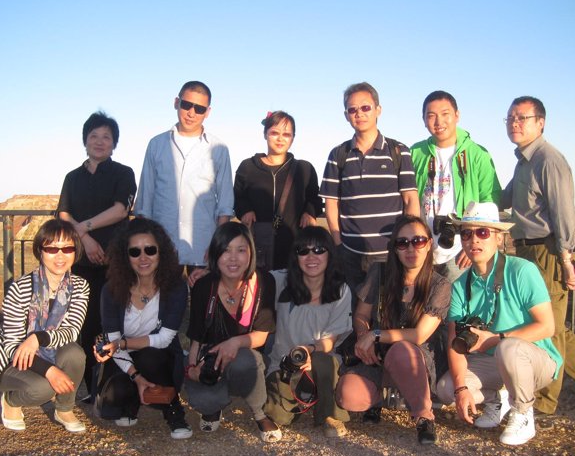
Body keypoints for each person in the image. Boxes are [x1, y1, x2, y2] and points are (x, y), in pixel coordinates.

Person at [502, 96, 575, 417]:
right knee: (553, 324)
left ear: (540, 122)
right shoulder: (524, 161)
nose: (515, 123)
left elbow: (564, 216)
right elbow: (503, 197)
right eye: (510, 118)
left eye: (522, 118)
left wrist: (567, 262)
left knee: (549, 328)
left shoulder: (548, 160)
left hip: (548, 251)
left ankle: (544, 403)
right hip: (526, 250)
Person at [437, 202, 562, 446]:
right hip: (490, 362)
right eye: (467, 233)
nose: (474, 240)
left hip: (533, 358)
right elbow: (455, 344)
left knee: (508, 348)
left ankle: (523, 412)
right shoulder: (460, 286)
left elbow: (547, 327)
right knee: (446, 388)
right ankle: (498, 399)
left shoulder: (522, 271)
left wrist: (496, 339)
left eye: (482, 232)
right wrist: (461, 391)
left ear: (498, 238)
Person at [335, 215, 450, 445]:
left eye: (418, 241)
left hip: (416, 358)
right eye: (402, 242)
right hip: (377, 356)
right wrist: (361, 336)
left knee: (401, 351)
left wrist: (375, 335)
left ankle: (424, 415)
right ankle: (379, 399)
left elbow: (419, 335)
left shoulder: (440, 284)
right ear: (394, 249)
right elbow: (360, 315)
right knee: (347, 395)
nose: (410, 248)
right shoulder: (380, 273)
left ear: (428, 245)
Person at [0, 219, 90, 432]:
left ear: (75, 252)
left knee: (75, 354)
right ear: (40, 251)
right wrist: (49, 370)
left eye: (67, 248)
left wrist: (37, 338)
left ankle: (64, 409)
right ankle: (11, 400)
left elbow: (72, 331)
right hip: (10, 360)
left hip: (45, 348)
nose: (60, 255)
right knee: (43, 388)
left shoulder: (80, 286)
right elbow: (12, 346)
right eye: (51, 248)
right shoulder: (20, 289)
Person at [57, 111, 137, 399]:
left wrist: (83, 227)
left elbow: (121, 210)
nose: (100, 142)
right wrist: (85, 239)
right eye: (94, 136)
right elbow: (63, 212)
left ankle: (115, 387)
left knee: (114, 322)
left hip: (114, 262)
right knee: (84, 322)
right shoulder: (72, 177)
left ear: (114, 144)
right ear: (85, 141)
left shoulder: (123, 173)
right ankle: (91, 387)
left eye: (106, 137)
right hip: (79, 262)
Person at [92, 218, 191, 439]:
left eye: (150, 250)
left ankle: (173, 408)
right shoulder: (111, 290)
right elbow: (112, 341)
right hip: (121, 358)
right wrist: (135, 376)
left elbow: (164, 338)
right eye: (135, 252)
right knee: (111, 403)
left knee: (150, 357)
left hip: (159, 357)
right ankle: (133, 398)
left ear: (161, 253)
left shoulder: (175, 287)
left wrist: (122, 343)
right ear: (125, 257)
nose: (143, 257)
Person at [183, 222, 281, 442]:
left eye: (241, 250)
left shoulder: (265, 281)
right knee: (203, 401)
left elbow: (262, 335)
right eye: (226, 250)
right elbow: (197, 338)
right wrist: (192, 368)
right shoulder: (203, 285)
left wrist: (234, 343)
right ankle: (216, 400)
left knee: (243, 362)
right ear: (215, 254)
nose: (233, 258)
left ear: (251, 253)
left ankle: (259, 412)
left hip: (248, 355)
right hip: (211, 357)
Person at [319, 82, 419, 296]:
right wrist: (339, 245)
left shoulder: (399, 151)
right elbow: (331, 203)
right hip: (352, 255)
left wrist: (408, 243)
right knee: (354, 316)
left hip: (391, 255)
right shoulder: (338, 155)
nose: (359, 114)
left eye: (365, 108)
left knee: (388, 316)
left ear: (378, 110)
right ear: (346, 115)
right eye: (352, 110)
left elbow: (410, 200)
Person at [134, 80, 234, 285]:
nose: (191, 112)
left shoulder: (219, 149)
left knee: (203, 309)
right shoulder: (156, 145)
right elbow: (145, 198)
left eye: (199, 108)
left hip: (204, 247)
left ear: (208, 112)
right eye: (187, 104)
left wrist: (217, 245)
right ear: (176, 102)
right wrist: (149, 245)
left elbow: (224, 203)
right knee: (161, 308)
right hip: (162, 247)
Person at [264, 226, 352, 438]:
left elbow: (331, 339)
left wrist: (310, 350)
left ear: (330, 253)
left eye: (319, 250)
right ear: (296, 256)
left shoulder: (340, 290)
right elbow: (246, 276)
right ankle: (299, 398)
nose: (311, 256)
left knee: (323, 360)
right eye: (303, 251)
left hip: (322, 364)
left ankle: (329, 414)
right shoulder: (279, 282)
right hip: (284, 365)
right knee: (281, 418)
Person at [411, 90, 502, 282]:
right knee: (424, 309)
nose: (439, 122)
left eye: (445, 114)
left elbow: (490, 201)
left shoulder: (477, 154)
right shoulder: (415, 153)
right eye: (431, 116)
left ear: (457, 115)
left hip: (461, 252)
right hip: (424, 249)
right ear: (423, 119)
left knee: (460, 308)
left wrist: (474, 245)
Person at [234, 110, 322, 271]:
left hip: (294, 248)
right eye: (274, 133)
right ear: (265, 134)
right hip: (256, 247)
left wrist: (310, 212)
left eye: (286, 134)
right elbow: (237, 197)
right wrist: (245, 210)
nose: (280, 139)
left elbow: (315, 198)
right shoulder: (247, 167)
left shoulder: (304, 169)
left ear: (293, 137)